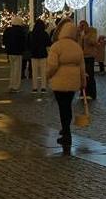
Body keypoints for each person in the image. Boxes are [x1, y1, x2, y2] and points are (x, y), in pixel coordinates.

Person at [45, 20, 86, 154]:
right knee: (67, 105)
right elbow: (82, 67)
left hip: (59, 81)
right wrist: (83, 82)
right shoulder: (77, 47)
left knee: (62, 107)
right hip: (73, 81)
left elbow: (52, 66)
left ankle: (66, 132)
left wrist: (48, 76)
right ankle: (66, 130)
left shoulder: (57, 46)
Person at [78, 19, 101, 100]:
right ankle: (83, 93)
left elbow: (93, 42)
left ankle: (91, 93)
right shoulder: (80, 33)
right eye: (80, 25)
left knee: (90, 74)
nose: (82, 27)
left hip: (90, 56)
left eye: (83, 25)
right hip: (82, 56)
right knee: (82, 75)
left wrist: (85, 36)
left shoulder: (92, 31)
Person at [2, 17, 27, 92]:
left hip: (10, 52)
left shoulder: (8, 30)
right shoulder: (21, 31)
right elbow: (23, 42)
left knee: (12, 69)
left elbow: (4, 40)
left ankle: (11, 85)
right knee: (17, 69)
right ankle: (16, 86)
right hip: (18, 52)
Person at [29, 20, 51, 93]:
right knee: (43, 72)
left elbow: (28, 44)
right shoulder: (45, 34)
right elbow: (48, 44)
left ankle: (34, 87)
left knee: (34, 72)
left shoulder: (32, 34)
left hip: (34, 54)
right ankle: (43, 87)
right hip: (43, 54)